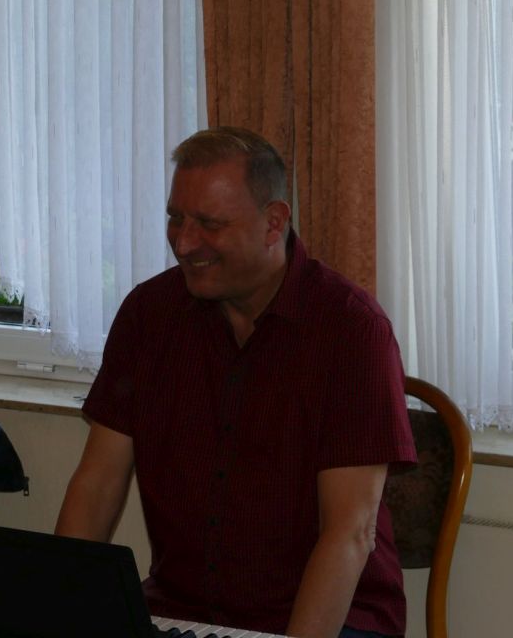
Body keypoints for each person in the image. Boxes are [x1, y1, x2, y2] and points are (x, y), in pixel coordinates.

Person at [56, 127, 416, 638]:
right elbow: (97, 484)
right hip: (180, 612)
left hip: (327, 621)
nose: (184, 243)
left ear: (274, 223)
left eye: (209, 224)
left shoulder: (351, 330)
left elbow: (350, 532)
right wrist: (60, 614)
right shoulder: (148, 315)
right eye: (176, 219)